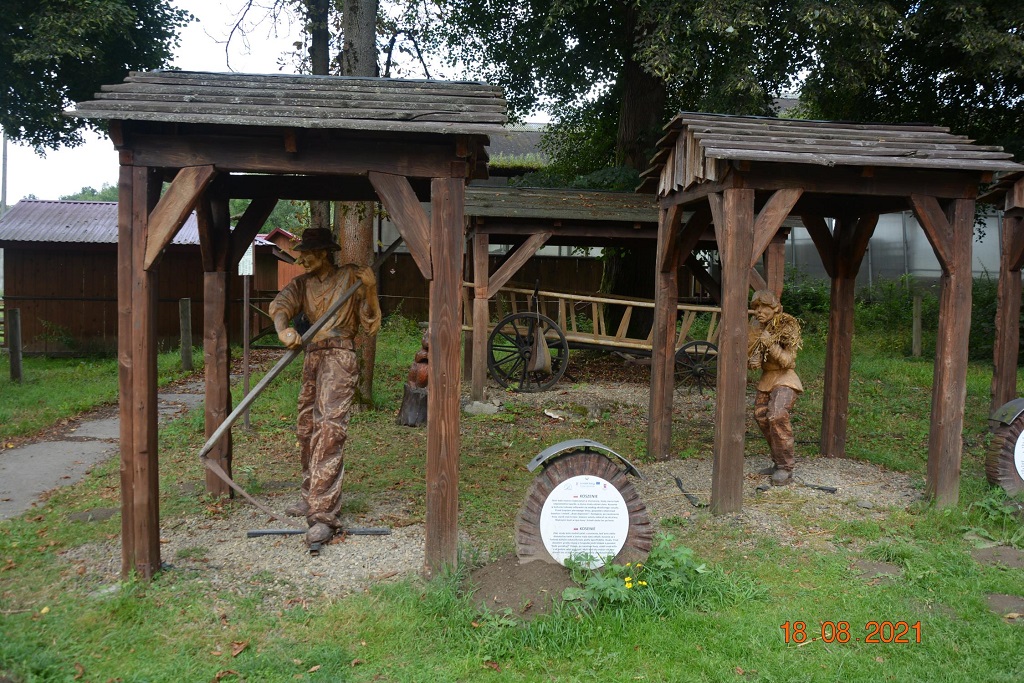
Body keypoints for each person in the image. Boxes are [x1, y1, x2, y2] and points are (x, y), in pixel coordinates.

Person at [269, 228, 381, 544]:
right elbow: (280, 306)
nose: (302, 259)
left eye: (307, 254)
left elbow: (370, 322)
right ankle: (311, 494)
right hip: (312, 355)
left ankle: (323, 514)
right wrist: (283, 330)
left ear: (323, 254)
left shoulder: (350, 277)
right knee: (306, 427)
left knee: (329, 428)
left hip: (339, 356)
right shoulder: (302, 284)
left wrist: (370, 290)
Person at [747, 290, 803, 486]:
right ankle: (778, 461)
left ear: (776, 308)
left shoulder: (787, 326)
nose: (759, 312)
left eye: (764, 307)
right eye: (756, 307)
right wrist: (752, 361)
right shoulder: (755, 327)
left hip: (785, 378)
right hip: (767, 378)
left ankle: (786, 467)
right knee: (761, 416)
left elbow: (789, 361)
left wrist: (770, 345)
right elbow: (750, 354)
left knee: (777, 415)